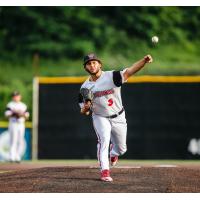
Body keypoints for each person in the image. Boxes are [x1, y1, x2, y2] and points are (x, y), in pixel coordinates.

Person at [79, 53, 153, 182]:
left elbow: (130, 71)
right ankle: (105, 171)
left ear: (100, 64)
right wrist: (86, 106)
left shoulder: (112, 76)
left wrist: (144, 61)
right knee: (103, 141)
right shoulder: (84, 88)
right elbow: (84, 112)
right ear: (85, 67)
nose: (92, 65)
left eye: (94, 62)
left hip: (118, 116)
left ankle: (114, 153)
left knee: (122, 148)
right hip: (100, 117)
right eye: (89, 64)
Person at [4, 91, 30, 163]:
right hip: (13, 123)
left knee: (20, 140)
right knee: (13, 140)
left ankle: (18, 156)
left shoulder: (23, 105)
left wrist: (21, 114)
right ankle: (12, 157)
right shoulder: (10, 105)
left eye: (17, 96)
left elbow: (27, 115)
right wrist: (15, 113)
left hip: (21, 124)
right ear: (13, 97)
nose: (16, 97)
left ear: (20, 97)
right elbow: (7, 114)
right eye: (14, 96)